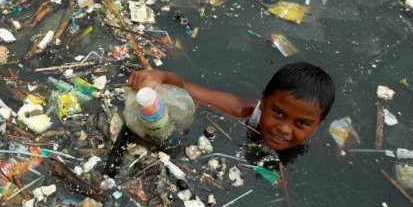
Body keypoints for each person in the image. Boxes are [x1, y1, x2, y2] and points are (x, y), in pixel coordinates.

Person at [127, 62, 335, 152]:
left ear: (317, 125)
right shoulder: (241, 111)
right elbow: (184, 88)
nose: (284, 128)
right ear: (263, 101)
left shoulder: (319, 144)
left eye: (301, 123)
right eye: (278, 113)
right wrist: (159, 76)